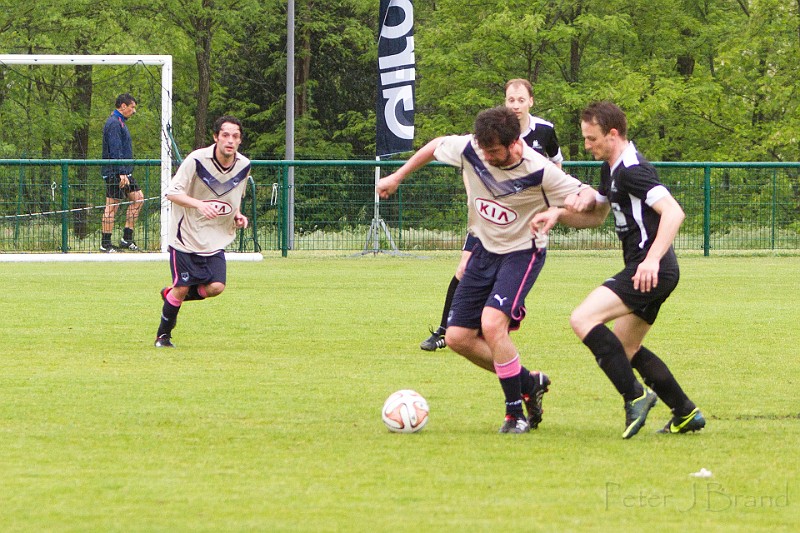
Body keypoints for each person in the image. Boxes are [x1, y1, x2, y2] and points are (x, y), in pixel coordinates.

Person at [378, 106, 596, 433]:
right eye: (483, 149)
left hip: (523, 252)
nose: (487, 157)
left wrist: (573, 207)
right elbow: (435, 146)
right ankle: (527, 382)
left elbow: (589, 198)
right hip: (484, 249)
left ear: (514, 144)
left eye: (493, 151)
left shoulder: (540, 170)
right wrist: (397, 176)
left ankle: (514, 415)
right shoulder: (472, 149)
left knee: (493, 324)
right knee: (457, 338)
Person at [531, 101, 705, 438]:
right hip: (653, 270)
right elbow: (596, 216)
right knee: (625, 350)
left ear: (613, 134)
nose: (586, 145)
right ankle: (685, 412)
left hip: (651, 268)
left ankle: (635, 398)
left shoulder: (631, 170)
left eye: (591, 138)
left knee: (583, 319)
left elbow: (674, 213)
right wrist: (558, 214)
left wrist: (651, 259)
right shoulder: (611, 168)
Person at [420, 78, 564, 352]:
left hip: (521, 223)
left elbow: (556, 164)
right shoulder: (492, 131)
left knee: (504, 270)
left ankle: (500, 318)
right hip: (488, 216)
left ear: (531, 101)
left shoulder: (544, 131)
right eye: (511, 100)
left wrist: (551, 204)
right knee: (464, 267)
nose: (516, 105)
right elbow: (470, 166)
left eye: (521, 100)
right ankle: (445, 330)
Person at [154, 116, 251, 348]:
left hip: (214, 240)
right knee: (182, 288)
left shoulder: (244, 165)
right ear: (215, 137)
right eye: (225, 135)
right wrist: (199, 204)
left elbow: (235, 198)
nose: (230, 140)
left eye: (235, 136)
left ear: (240, 140)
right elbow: (172, 193)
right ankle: (163, 336)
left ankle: (171, 296)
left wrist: (237, 214)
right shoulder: (196, 160)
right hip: (185, 236)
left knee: (216, 287)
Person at [101, 93, 143, 252]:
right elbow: (115, 149)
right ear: (123, 106)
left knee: (138, 199)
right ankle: (105, 244)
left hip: (124, 171)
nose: (134, 111)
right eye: (132, 107)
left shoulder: (120, 123)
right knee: (112, 206)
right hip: (115, 172)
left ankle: (126, 238)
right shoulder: (113, 123)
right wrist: (121, 173)